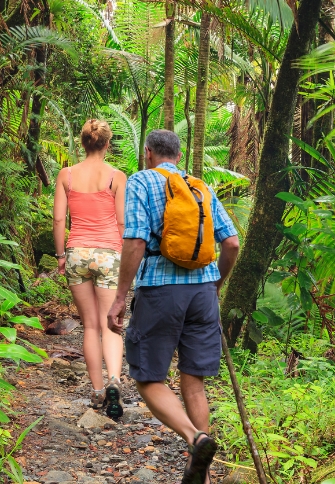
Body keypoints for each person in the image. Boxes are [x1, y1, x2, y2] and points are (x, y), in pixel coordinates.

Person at [107, 129, 240, 484]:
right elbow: (231, 243)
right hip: (202, 293)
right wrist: (215, 286)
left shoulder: (141, 182)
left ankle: (195, 438)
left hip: (160, 291)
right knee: (193, 382)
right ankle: (204, 478)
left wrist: (120, 296)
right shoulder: (200, 187)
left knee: (149, 377)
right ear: (179, 156)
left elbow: (135, 240)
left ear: (148, 153)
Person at [53, 119, 128, 418]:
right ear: (107, 144)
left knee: (90, 325)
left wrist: (61, 255)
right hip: (109, 253)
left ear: (82, 144)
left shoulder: (66, 175)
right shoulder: (116, 177)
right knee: (111, 323)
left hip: (76, 253)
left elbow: (60, 220)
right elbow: (122, 222)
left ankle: (97, 392)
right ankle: (114, 379)